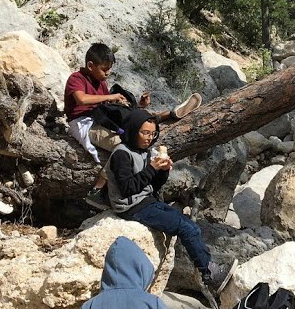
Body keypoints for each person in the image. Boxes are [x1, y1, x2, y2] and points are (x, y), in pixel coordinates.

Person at [104, 108, 237, 295]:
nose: (149, 138)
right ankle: (209, 274)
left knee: (189, 225)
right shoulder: (121, 154)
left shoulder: (145, 151)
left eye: (152, 133)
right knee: (186, 228)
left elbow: (154, 184)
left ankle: (209, 268)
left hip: (146, 201)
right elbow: (128, 188)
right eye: (144, 133)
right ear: (133, 130)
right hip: (130, 207)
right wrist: (152, 167)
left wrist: (163, 170)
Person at [64, 42, 202, 204]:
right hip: (84, 123)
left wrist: (138, 104)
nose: (108, 73)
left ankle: (170, 114)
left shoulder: (100, 81)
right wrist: (110, 97)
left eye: (110, 69)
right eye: (104, 69)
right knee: (123, 146)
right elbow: (81, 99)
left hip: (102, 118)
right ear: (90, 66)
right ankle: (97, 190)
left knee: (136, 122)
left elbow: (107, 106)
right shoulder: (76, 78)